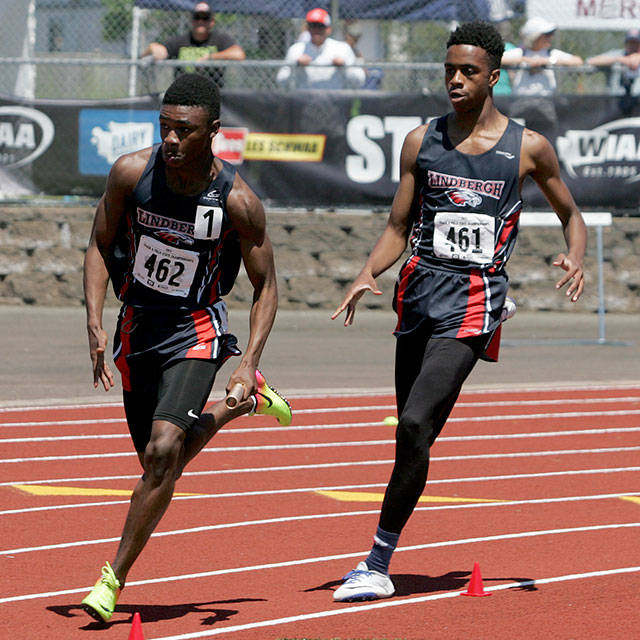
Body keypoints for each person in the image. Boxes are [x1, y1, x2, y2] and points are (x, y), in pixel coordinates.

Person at [331, 21, 587, 602]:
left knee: (416, 422)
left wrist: (575, 257)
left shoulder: (528, 147)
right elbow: (398, 226)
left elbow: (571, 214)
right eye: (449, 69)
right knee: (410, 439)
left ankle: (374, 564)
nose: (455, 79)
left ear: (493, 76)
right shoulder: (421, 141)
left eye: (468, 71)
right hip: (419, 295)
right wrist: (368, 272)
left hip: (474, 303)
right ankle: (382, 557)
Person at [80, 72, 291, 624]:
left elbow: (267, 286)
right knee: (159, 464)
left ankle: (112, 579)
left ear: (213, 132)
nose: (171, 141)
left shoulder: (237, 201)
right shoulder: (132, 173)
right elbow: (100, 245)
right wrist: (95, 321)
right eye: (165, 128)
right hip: (137, 328)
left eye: (185, 132)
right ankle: (239, 406)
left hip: (197, 327)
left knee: (162, 450)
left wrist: (249, 360)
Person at [141, 2, 245, 87]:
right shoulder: (180, 40)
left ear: (212, 22)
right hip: (183, 93)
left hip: (211, 94)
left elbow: (239, 54)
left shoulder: (220, 39)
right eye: (197, 17)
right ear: (191, 20)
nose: (200, 21)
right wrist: (154, 50)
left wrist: (211, 57)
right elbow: (157, 49)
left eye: (205, 18)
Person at [276, 8, 365, 90]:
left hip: (335, 101)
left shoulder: (342, 48)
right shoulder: (296, 50)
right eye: (312, 25)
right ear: (308, 28)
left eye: (320, 26)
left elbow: (359, 81)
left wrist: (345, 65)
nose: (316, 30)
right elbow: (281, 81)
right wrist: (296, 65)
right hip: (305, 101)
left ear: (328, 29)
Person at [501, 17, 583, 96]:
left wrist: (547, 61)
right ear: (534, 37)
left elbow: (578, 61)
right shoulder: (521, 53)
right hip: (521, 99)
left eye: (551, 34)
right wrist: (526, 60)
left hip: (547, 100)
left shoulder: (551, 54)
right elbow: (496, 59)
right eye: (546, 35)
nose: (550, 37)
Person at [587, 27, 640, 96]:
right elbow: (590, 61)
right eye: (630, 42)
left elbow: (635, 61)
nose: (633, 46)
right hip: (615, 99)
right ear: (625, 43)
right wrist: (620, 60)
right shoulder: (619, 54)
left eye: (636, 43)